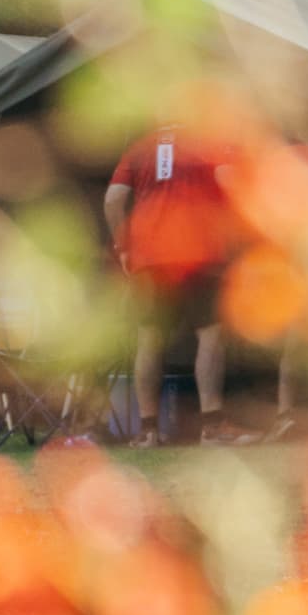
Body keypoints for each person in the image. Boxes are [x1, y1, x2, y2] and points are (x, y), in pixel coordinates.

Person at [105, 113, 235, 445]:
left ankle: (147, 430)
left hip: (149, 256)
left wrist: (123, 247)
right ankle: (212, 427)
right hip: (199, 253)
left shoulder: (139, 147)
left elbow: (113, 200)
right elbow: (230, 183)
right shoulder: (206, 142)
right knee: (210, 336)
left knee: (149, 339)